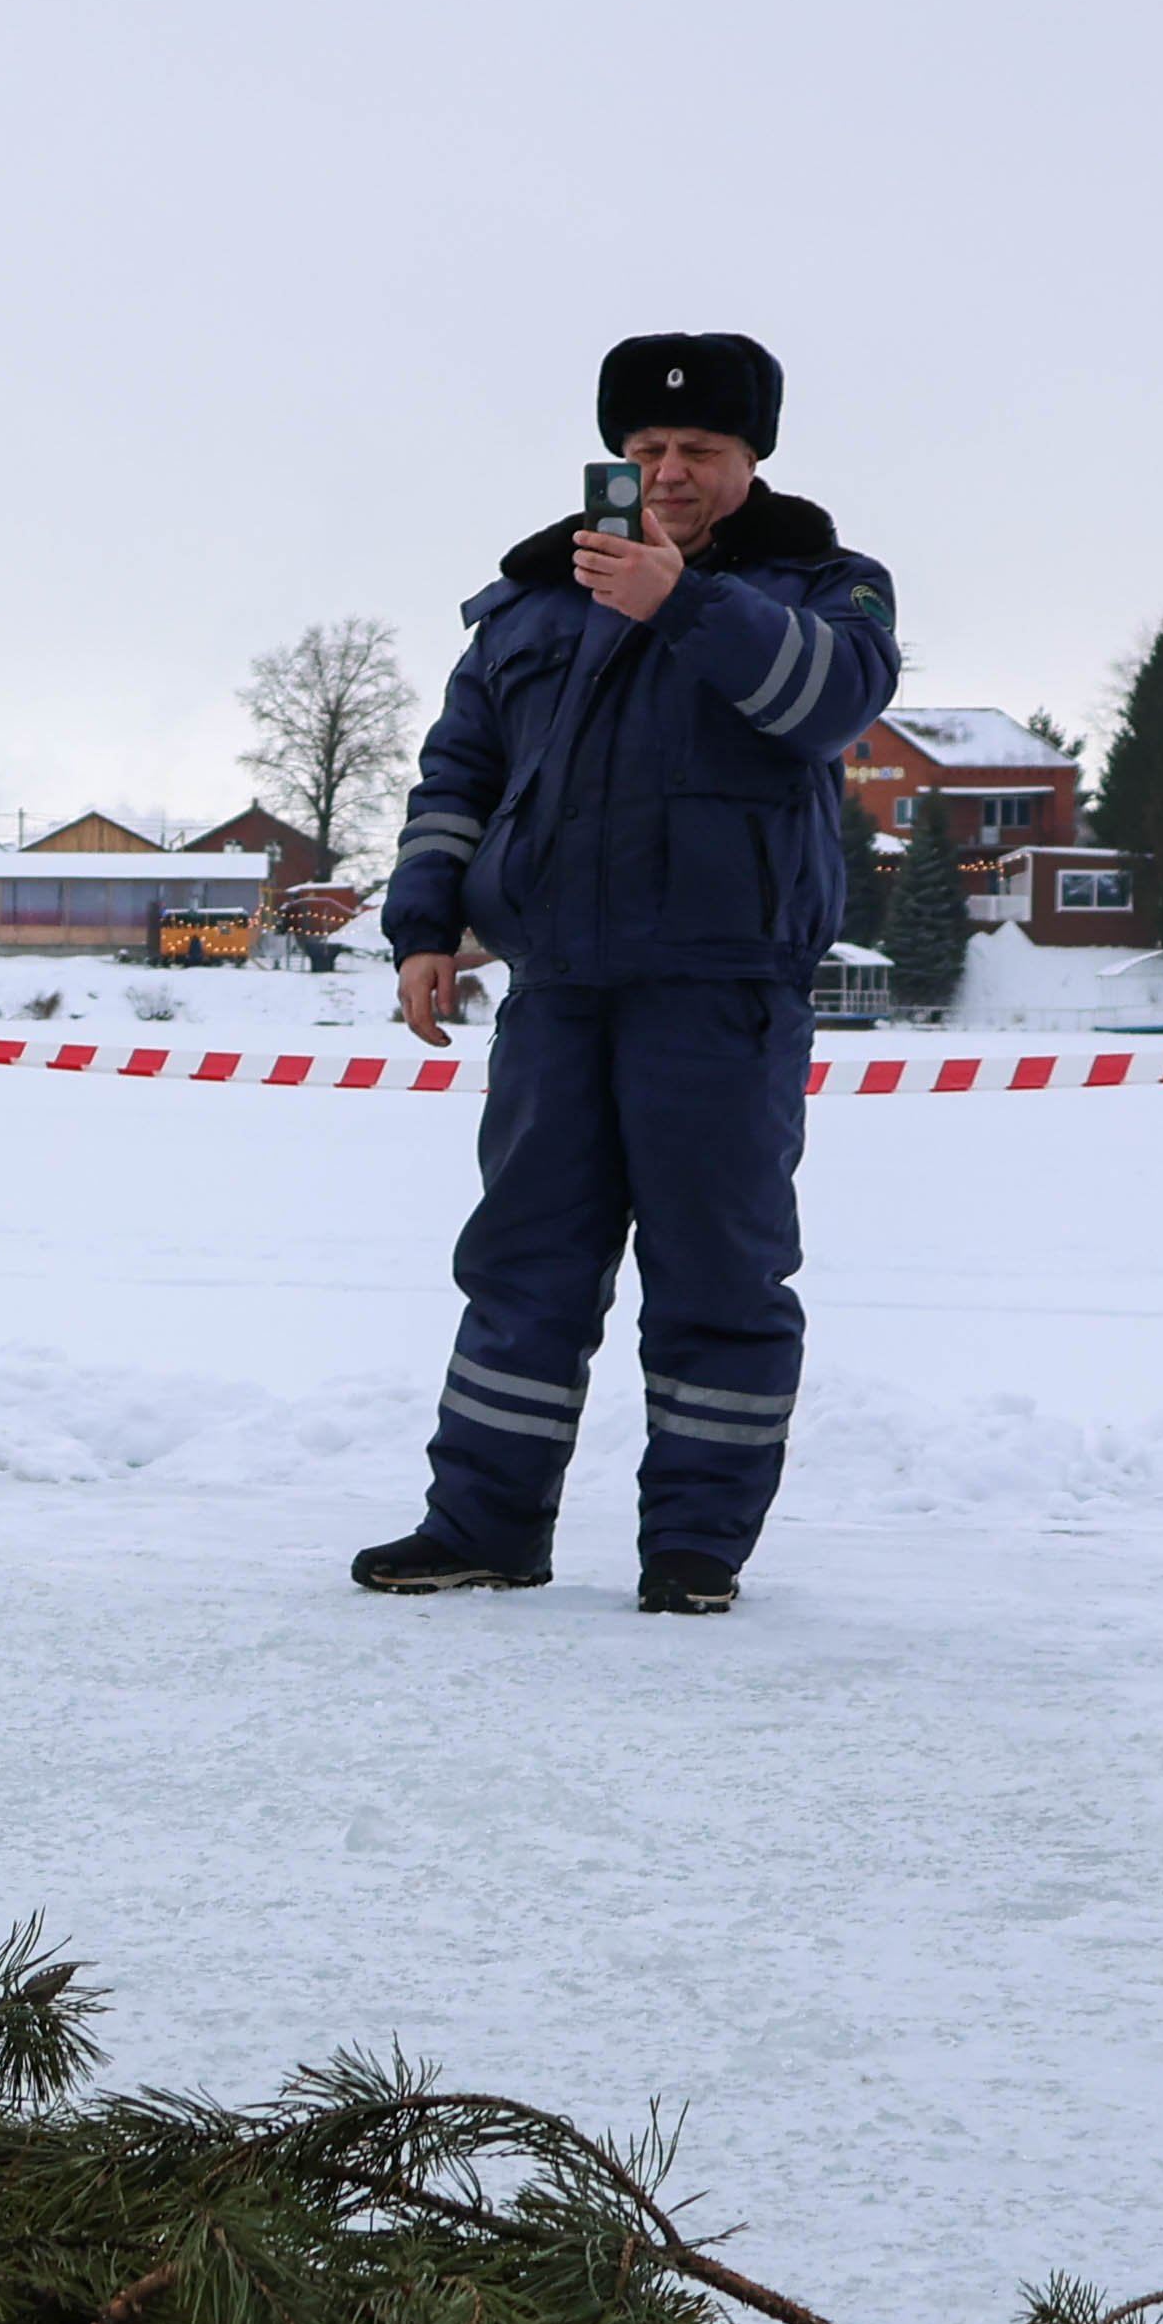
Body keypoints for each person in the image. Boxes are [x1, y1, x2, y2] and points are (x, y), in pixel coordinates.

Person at [353, 334, 900, 1612]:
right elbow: (457, 776)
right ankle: (481, 1524)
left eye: (698, 450)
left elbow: (834, 702)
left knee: (720, 1274)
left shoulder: (828, 584)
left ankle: (695, 1549)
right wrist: (425, 924)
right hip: (558, 992)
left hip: (721, 992)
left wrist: (682, 601)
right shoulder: (535, 601)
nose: (668, 472)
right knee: (521, 1266)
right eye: (645, 450)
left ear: (750, 456)